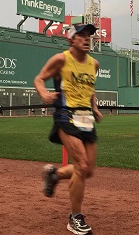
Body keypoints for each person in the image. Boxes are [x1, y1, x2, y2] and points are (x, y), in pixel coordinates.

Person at [34, 23, 102, 235]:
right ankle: (75, 218)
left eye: (89, 35)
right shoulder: (61, 59)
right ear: (71, 40)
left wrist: (95, 107)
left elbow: (89, 87)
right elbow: (39, 79)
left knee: (88, 170)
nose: (87, 38)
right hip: (66, 115)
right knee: (81, 164)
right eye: (81, 35)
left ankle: (54, 175)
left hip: (86, 118)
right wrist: (43, 93)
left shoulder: (94, 64)